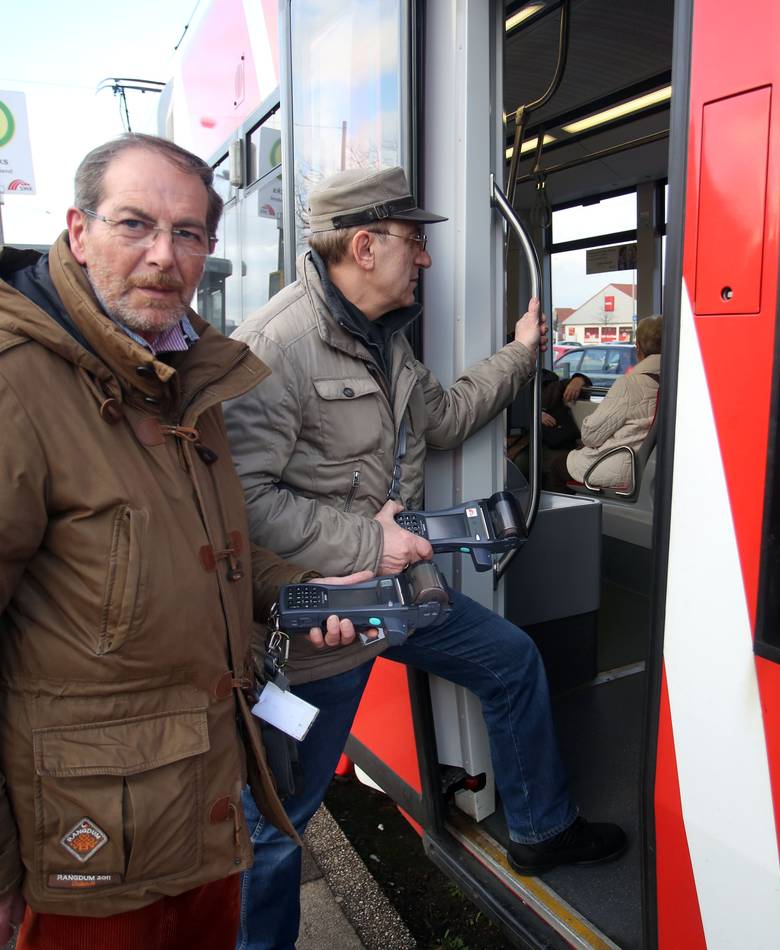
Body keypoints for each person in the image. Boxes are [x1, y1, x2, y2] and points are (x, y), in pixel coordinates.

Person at [224, 166, 627, 949]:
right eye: (414, 241)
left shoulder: (386, 338)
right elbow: (238, 502)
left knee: (511, 660)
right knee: (277, 820)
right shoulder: (276, 348)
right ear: (364, 246)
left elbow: (441, 418)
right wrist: (367, 543)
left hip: (398, 594)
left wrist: (520, 355)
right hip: (320, 626)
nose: (426, 258)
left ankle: (542, 828)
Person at [0, 133, 364, 950]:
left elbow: (205, 545)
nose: (164, 256)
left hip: (204, 808)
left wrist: (302, 589)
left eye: (189, 233)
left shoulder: (185, 371)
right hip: (85, 850)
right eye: (134, 224)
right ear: (78, 230)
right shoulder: (14, 381)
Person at [559, 315, 662, 490]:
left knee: (555, 466)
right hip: (645, 463)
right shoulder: (675, 381)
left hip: (619, 464)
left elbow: (591, 435)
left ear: (638, 347)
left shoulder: (629, 385)